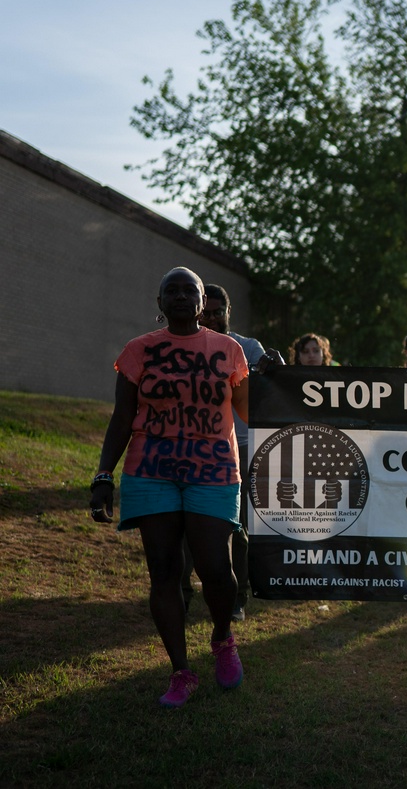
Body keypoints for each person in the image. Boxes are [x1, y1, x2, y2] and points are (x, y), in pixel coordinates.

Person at [89, 267, 250, 707]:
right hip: (151, 471)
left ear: (202, 302)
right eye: (171, 291)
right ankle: (181, 671)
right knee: (164, 571)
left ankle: (222, 638)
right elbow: (122, 417)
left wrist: (272, 380)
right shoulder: (138, 351)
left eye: (189, 290)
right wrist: (103, 475)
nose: (180, 296)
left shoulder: (229, 350)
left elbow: (249, 411)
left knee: (216, 568)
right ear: (159, 303)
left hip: (214, 471)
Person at [182, 284, 264, 622]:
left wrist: (273, 367)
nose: (213, 319)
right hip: (194, 445)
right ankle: (181, 593)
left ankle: (236, 599)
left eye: (219, 312)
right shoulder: (185, 346)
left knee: (237, 527)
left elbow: (268, 386)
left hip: (240, 447)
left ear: (229, 312)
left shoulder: (248, 348)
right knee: (187, 525)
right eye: (207, 313)